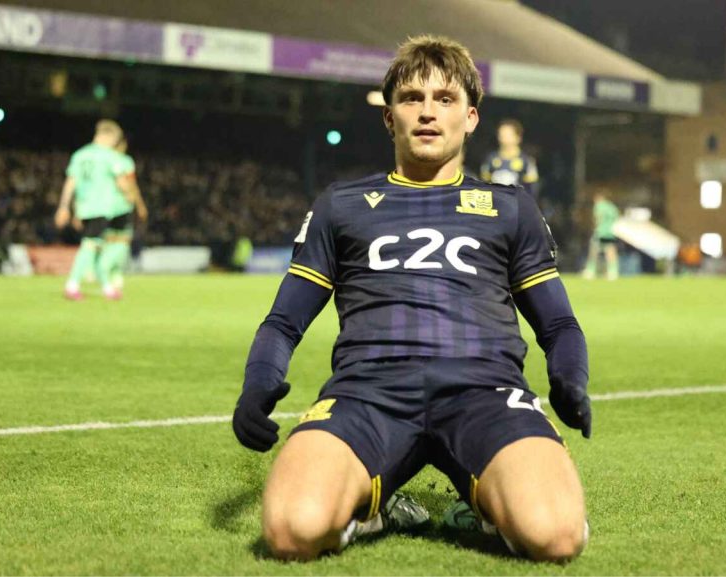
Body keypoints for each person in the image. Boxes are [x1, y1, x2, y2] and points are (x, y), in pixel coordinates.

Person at [232, 35, 591, 563]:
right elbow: (284, 322)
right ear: (389, 117)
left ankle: (484, 509)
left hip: (484, 392)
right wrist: (258, 382)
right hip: (367, 393)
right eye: (410, 99)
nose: (427, 113)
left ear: (470, 118)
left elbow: (559, 324)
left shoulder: (510, 208)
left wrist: (569, 378)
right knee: (291, 530)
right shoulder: (342, 206)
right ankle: (378, 511)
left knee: (556, 536)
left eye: (444, 99)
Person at [54, 120, 137, 300]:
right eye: (114, 140)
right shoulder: (109, 156)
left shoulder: (80, 155)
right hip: (102, 207)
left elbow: (71, 182)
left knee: (97, 246)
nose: (114, 144)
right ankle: (72, 284)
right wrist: (131, 196)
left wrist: (64, 207)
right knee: (90, 245)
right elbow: (121, 181)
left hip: (84, 207)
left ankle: (107, 288)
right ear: (108, 137)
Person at [99, 136, 148, 299]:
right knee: (123, 241)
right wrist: (139, 204)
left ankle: (110, 272)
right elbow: (130, 184)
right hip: (121, 206)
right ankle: (112, 272)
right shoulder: (125, 161)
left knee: (108, 241)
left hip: (103, 207)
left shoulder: (102, 158)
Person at [480, 118, 539, 197]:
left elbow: (532, 188)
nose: (503, 137)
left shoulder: (526, 161)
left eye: (508, 134)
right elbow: (483, 183)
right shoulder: (491, 159)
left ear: (518, 137)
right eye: (501, 134)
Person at [582, 191, 619, 280]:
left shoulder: (599, 206)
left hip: (600, 232)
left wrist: (595, 227)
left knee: (593, 251)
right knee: (610, 251)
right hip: (610, 232)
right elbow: (617, 218)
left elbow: (598, 218)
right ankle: (613, 272)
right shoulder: (612, 207)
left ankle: (590, 271)